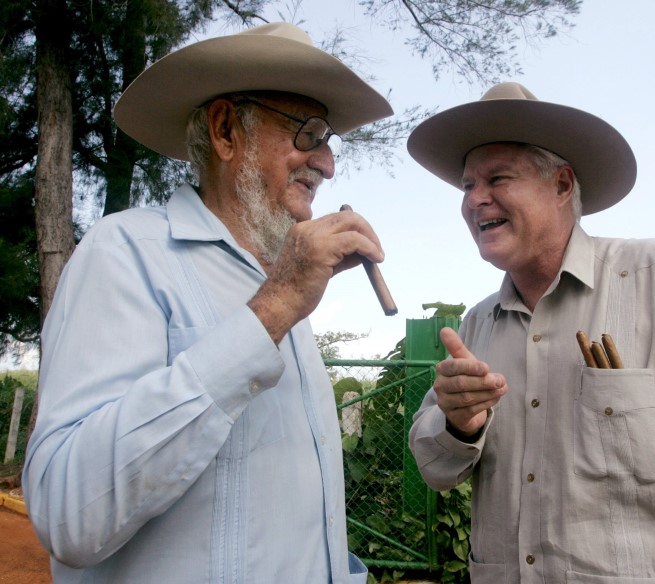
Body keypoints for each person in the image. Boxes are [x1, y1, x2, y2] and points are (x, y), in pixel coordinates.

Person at [23, 23, 393, 583]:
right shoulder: (125, 252)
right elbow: (68, 514)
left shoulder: (284, 291)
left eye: (329, 140)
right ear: (225, 131)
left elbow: (282, 523)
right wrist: (271, 310)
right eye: (310, 133)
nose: (328, 163)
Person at [407, 82, 655, 583]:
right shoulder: (477, 326)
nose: (475, 200)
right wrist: (460, 425)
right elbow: (435, 469)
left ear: (563, 185)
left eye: (497, 178)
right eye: (467, 186)